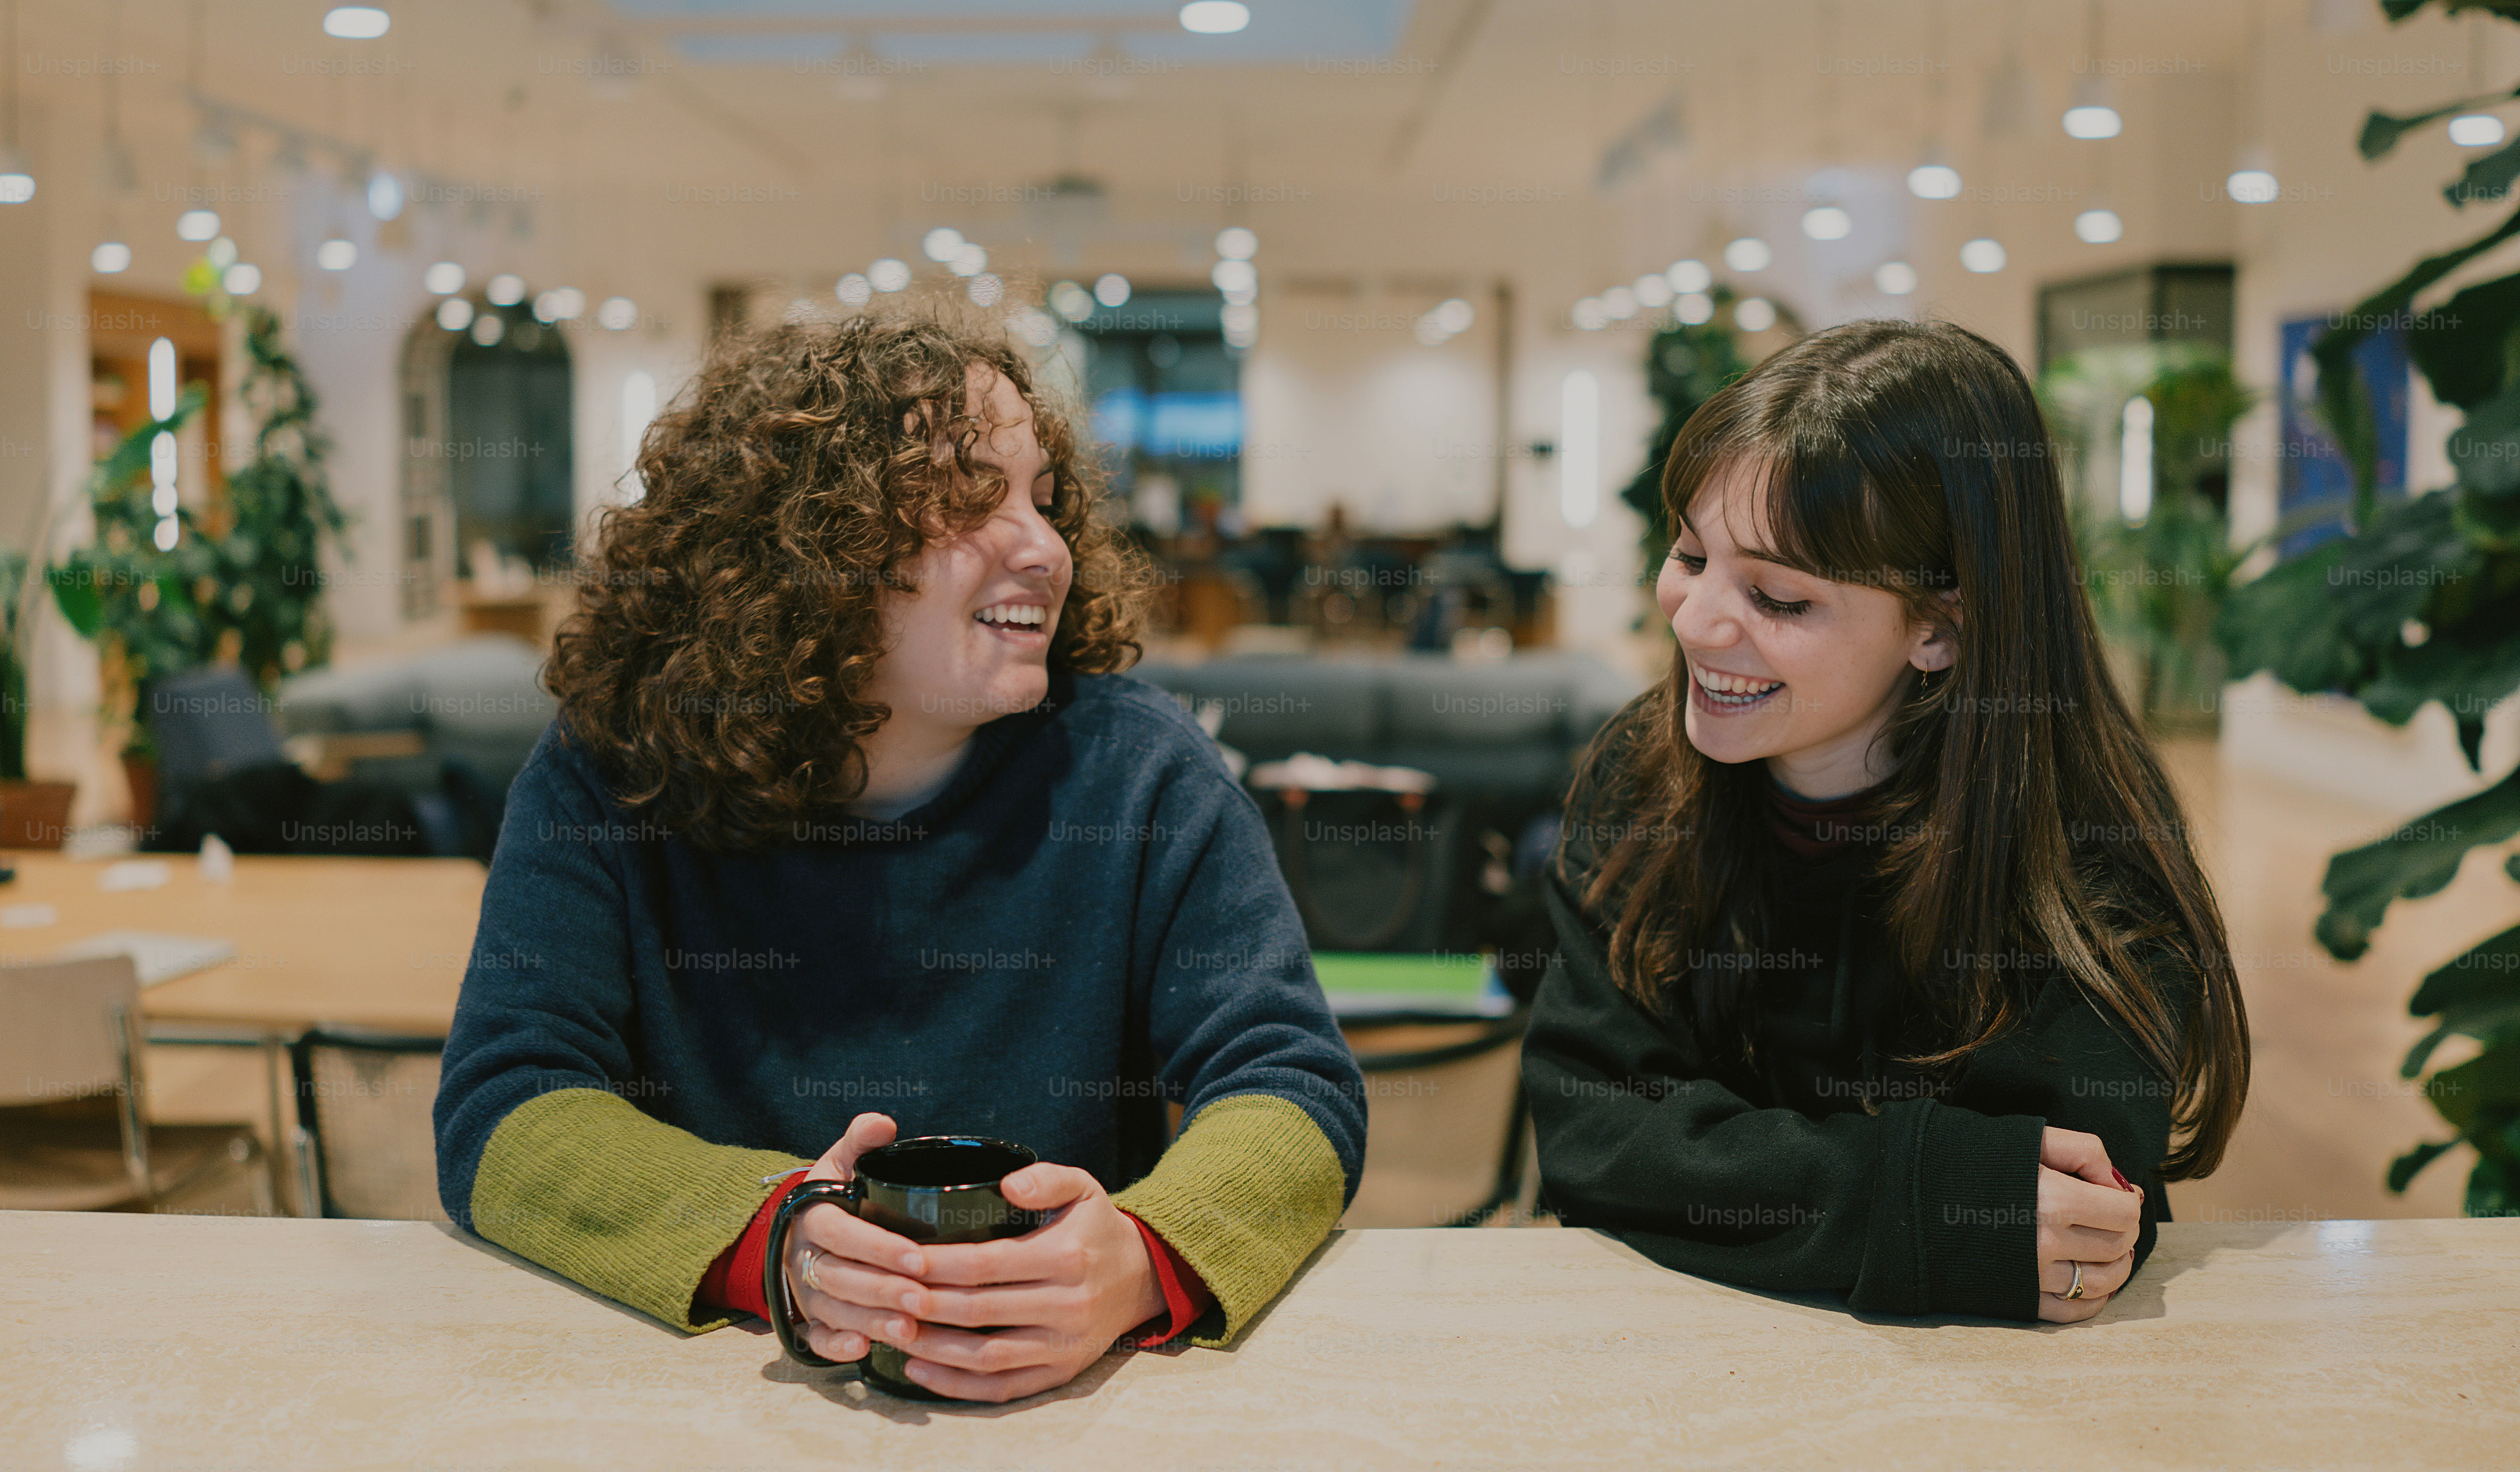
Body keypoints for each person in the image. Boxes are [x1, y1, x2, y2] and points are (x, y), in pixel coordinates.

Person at [432, 299, 1365, 1402]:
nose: (1045, 548)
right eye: (973, 500)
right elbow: (508, 1101)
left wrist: (1143, 1258)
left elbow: (1292, 1084)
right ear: (805, 549)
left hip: (1062, 1417)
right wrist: (775, 1240)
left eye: (1046, 501)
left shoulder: (1143, 777)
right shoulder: (613, 770)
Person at [1523, 318, 2248, 1325]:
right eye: (1691, 555)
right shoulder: (1638, 778)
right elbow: (1593, 1131)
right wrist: (1921, 1202)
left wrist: (1717, 1165)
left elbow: (2073, 1218)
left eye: (1777, 598)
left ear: (1940, 629)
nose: (1694, 621)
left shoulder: (2084, 850)